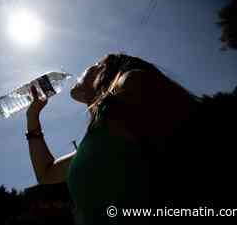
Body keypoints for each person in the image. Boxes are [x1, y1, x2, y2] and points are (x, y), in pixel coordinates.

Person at [25, 53, 202, 224]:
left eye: (97, 63)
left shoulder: (134, 81)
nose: (89, 66)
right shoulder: (96, 143)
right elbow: (46, 173)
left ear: (106, 72)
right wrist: (32, 116)